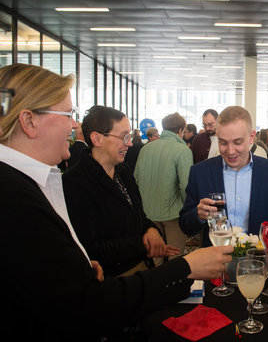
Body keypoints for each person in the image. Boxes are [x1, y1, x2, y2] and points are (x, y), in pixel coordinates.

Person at [0, 64, 232, 341]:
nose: (74, 125)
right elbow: (86, 305)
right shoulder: (14, 197)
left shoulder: (34, 183)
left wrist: (82, 266)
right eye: (67, 115)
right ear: (29, 121)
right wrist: (186, 266)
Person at [63, 106, 181, 277]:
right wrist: (143, 244)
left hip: (141, 270)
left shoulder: (123, 171)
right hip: (111, 280)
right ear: (97, 138)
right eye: (123, 136)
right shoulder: (75, 183)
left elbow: (139, 216)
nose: (130, 143)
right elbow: (90, 247)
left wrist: (151, 230)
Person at [179, 106, 268, 247]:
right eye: (223, 142)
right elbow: (185, 226)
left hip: (258, 261)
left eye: (237, 142)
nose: (230, 151)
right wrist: (198, 215)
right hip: (215, 262)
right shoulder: (200, 173)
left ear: (251, 137)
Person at [135, 112, 193, 263]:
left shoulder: (145, 149)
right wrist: (188, 210)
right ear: (181, 130)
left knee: (157, 258)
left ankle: (157, 286)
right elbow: (186, 186)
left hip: (148, 213)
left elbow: (135, 180)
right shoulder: (183, 150)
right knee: (175, 258)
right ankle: (174, 287)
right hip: (173, 213)